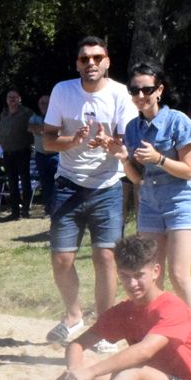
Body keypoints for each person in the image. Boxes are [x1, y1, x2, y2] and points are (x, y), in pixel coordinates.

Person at [0, 236, 191, 380]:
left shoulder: (172, 308)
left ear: (156, 271)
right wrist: (76, 372)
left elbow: (143, 352)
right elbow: (76, 344)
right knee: (84, 366)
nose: (132, 283)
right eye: (126, 276)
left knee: (128, 371)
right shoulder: (124, 310)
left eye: (139, 275)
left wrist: (91, 373)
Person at [41, 36, 138, 351]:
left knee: (105, 257)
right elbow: (48, 142)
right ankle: (73, 316)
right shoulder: (62, 91)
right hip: (68, 183)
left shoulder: (120, 94)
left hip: (108, 185)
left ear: (107, 61)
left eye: (97, 57)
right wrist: (72, 140)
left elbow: (125, 147)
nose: (91, 63)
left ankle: (105, 326)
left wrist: (108, 144)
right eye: (85, 59)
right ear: (77, 64)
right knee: (61, 259)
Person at [108, 62, 191, 334]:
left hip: (181, 200)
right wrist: (123, 158)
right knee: (149, 274)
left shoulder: (179, 122)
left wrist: (159, 159)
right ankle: (157, 334)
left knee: (178, 273)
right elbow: (137, 179)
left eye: (146, 89)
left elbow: (188, 171)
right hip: (149, 202)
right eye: (134, 90)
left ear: (159, 90)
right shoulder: (133, 128)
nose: (140, 95)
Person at [0, 90, 34, 219]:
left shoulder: (27, 113)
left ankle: (25, 210)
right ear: (6, 100)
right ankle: (15, 212)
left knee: (25, 182)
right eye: (9, 97)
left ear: (20, 99)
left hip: (22, 151)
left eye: (14, 97)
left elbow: (34, 129)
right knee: (12, 183)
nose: (12, 99)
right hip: (7, 153)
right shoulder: (4, 113)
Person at [29, 94, 58, 210]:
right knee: (45, 183)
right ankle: (48, 207)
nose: (43, 105)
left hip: (56, 155)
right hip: (41, 155)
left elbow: (59, 131)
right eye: (41, 103)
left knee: (58, 182)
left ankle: (58, 207)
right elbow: (30, 127)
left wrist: (41, 129)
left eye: (46, 103)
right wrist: (46, 129)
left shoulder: (56, 117)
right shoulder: (34, 117)